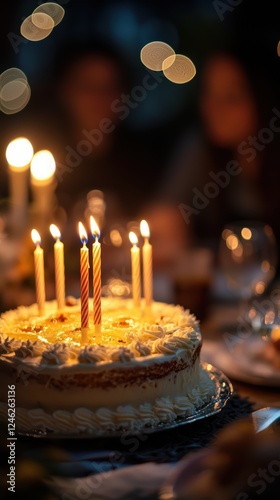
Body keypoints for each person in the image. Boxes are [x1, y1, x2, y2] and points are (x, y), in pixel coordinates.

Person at [154, 49, 280, 250]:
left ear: (263, 96)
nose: (214, 107)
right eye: (209, 92)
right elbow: (162, 217)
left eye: (231, 96)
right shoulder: (198, 150)